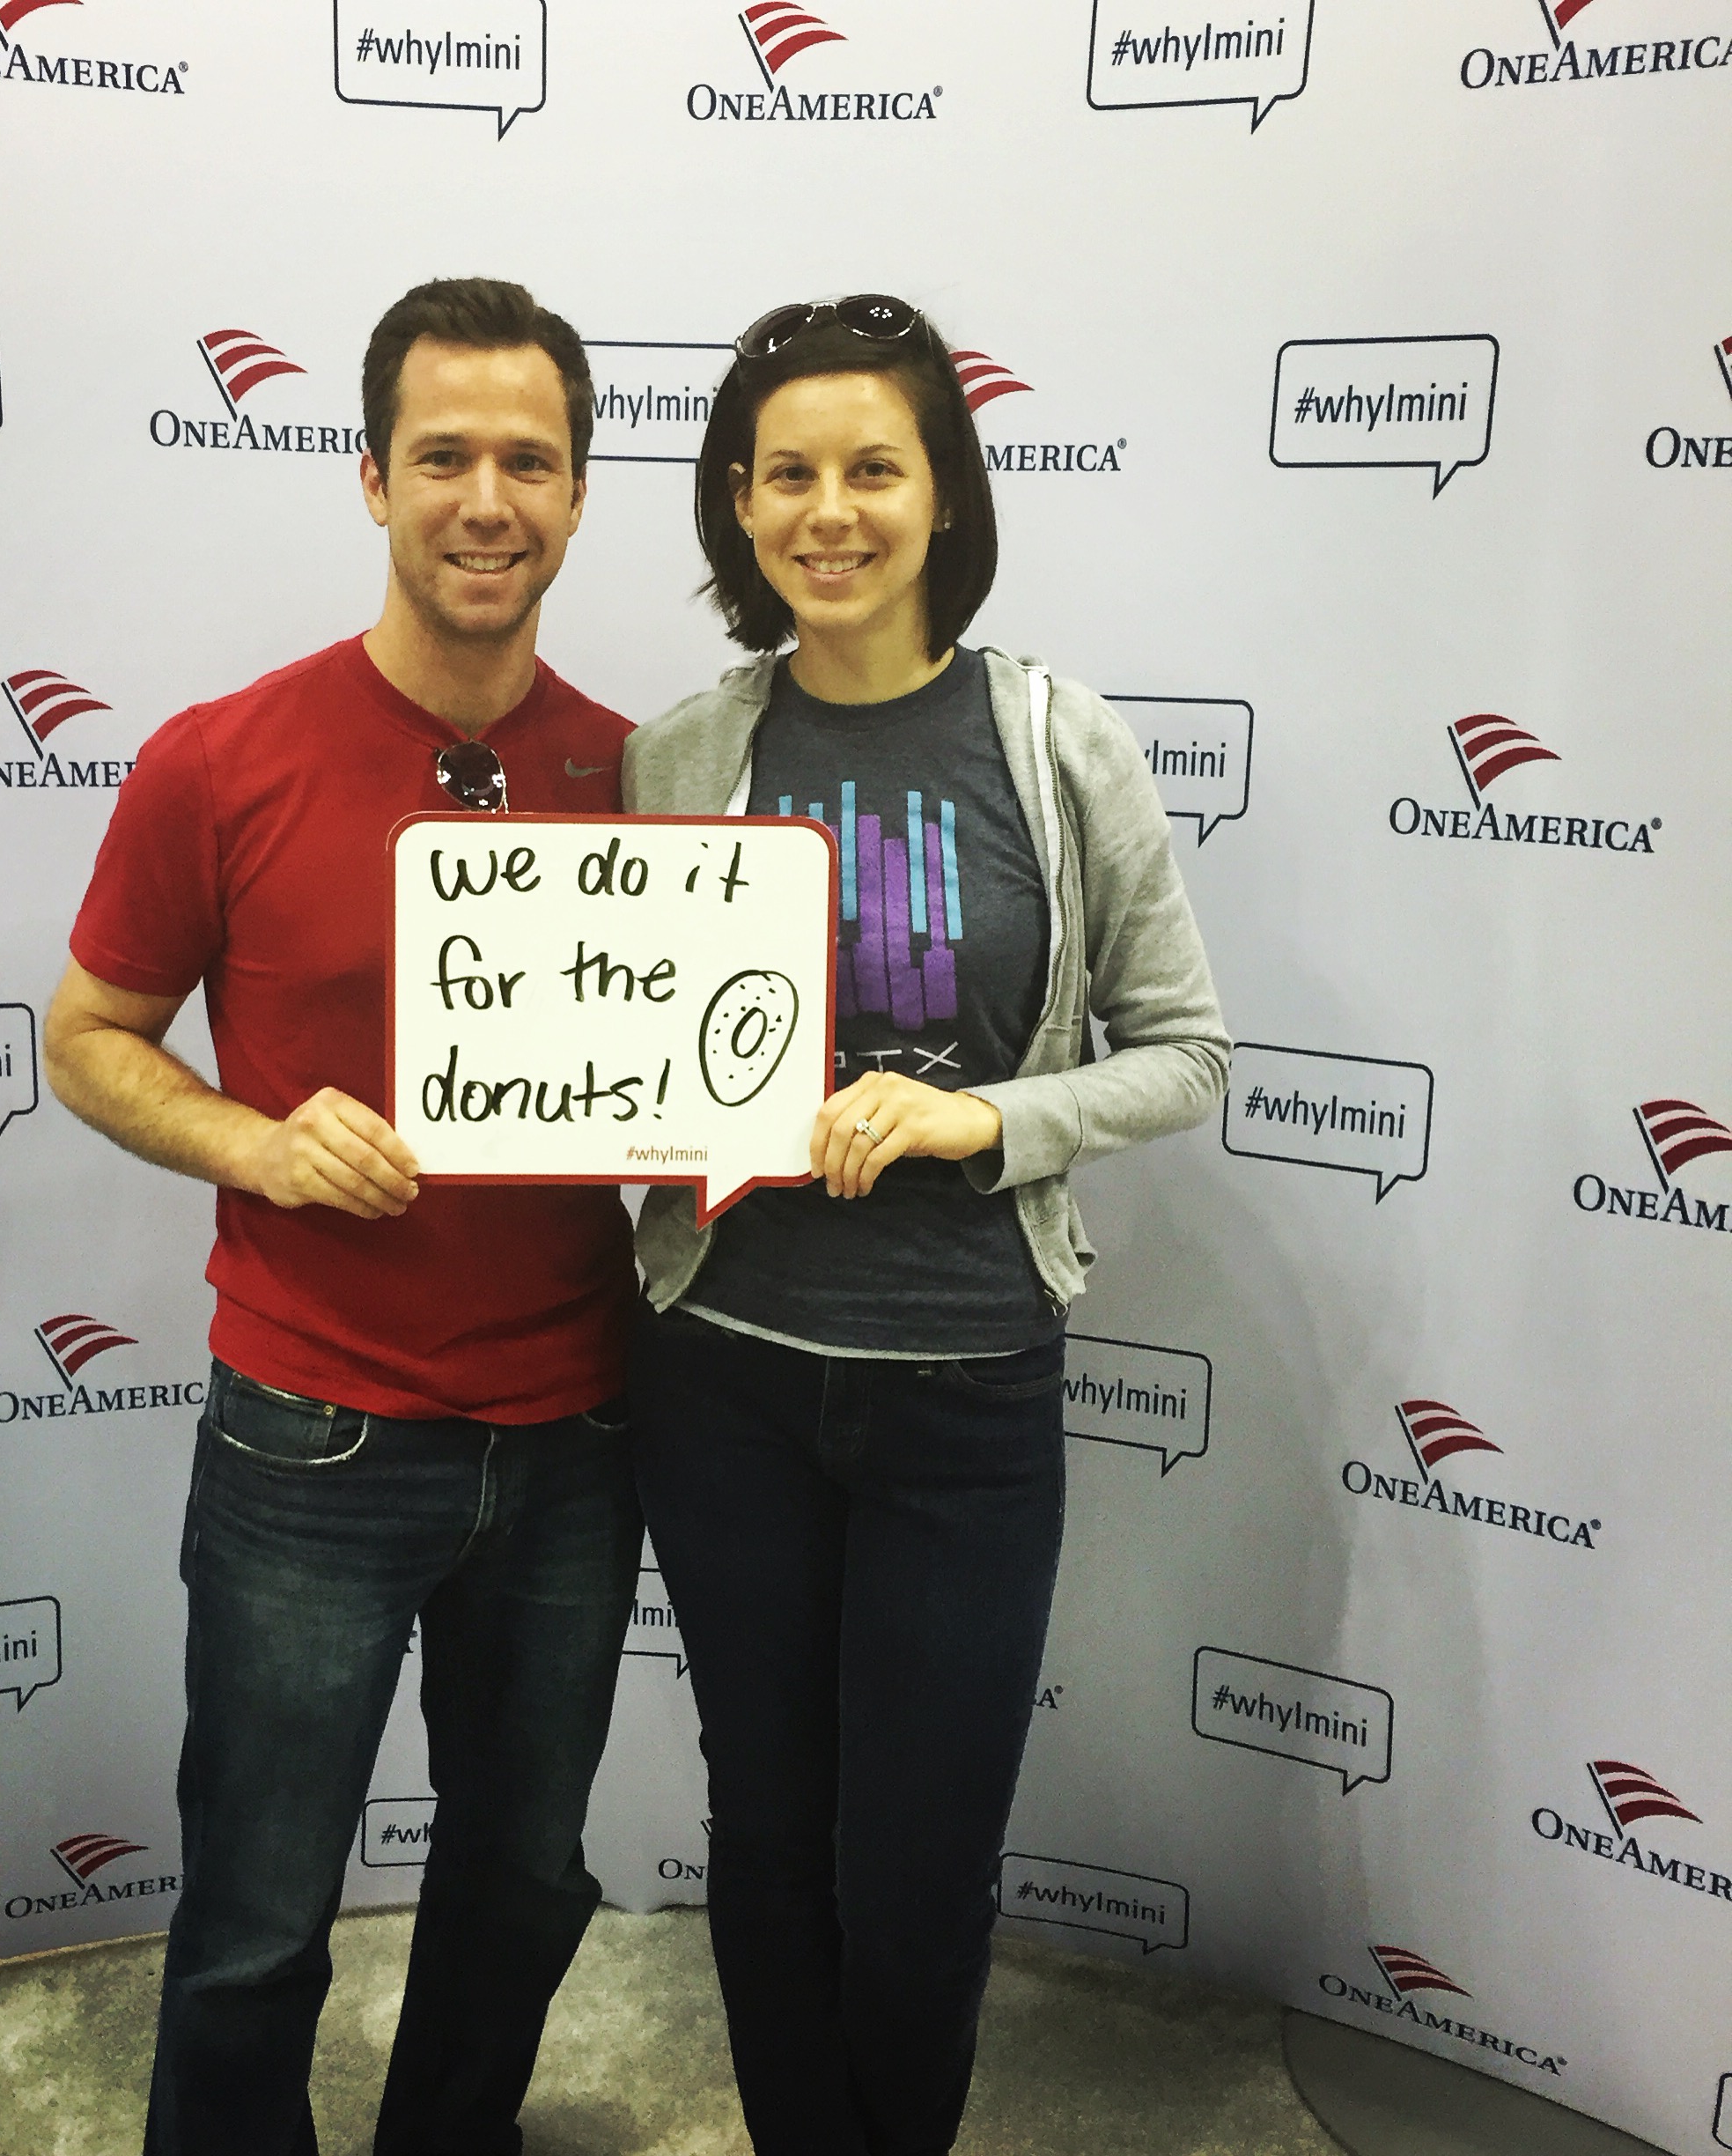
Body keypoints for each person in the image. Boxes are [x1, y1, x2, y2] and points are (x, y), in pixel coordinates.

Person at [622, 295, 1232, 2156]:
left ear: (946, 495)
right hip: (723, 1385)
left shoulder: (1056, 743)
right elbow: (630, 1058)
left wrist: (986, 1117)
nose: (831, 509)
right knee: (766, 1838)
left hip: (967, 1398)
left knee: (919, 1868)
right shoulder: (683, 753)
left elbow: (1188, 1052)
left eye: (873, 468)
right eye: (786, 473)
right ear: (738, 506)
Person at [43, 277, 644, 2156]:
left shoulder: (643, 775)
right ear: (372, 478)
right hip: (311, 1434)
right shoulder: (220, 759)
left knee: (526, 1886)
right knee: (252, 1929)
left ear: (576, 494)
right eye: (446, 455)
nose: (488, 499)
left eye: (528, 461)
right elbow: (87, 1039)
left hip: (575, 1433)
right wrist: (258, 1144)